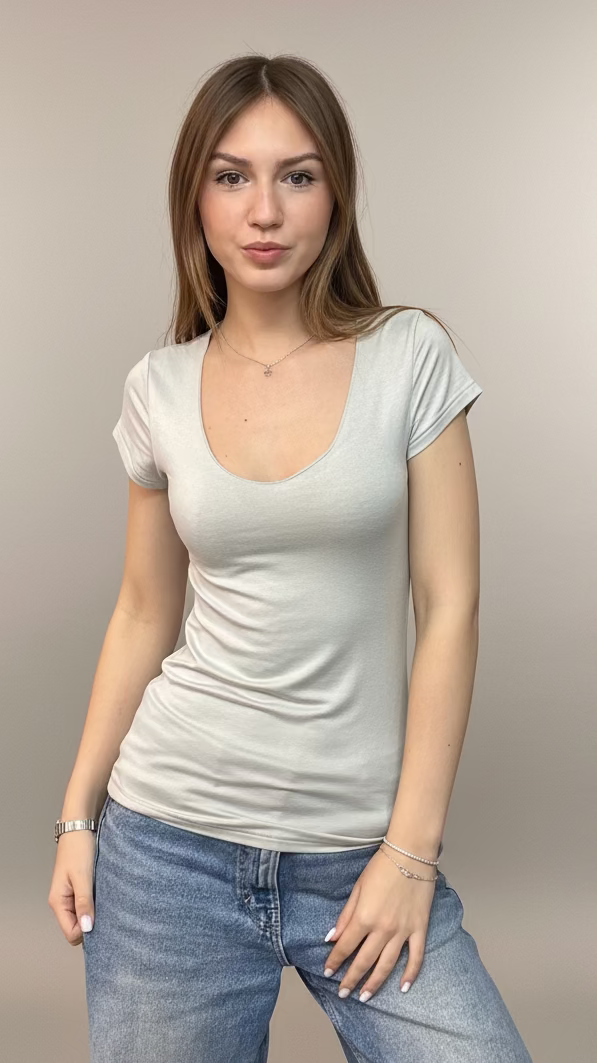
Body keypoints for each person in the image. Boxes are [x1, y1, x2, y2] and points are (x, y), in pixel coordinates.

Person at [48, 53, 534, 1063]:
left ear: (335, 194)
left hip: (359, 852)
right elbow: (143, 611)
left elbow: (449, 606)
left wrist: (410, 852)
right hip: (167, 846)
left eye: (296, 176)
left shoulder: (409, 355)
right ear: (195, 199)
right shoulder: (158, 386)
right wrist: (77, 817)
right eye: (231, 176)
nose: (264, 210)